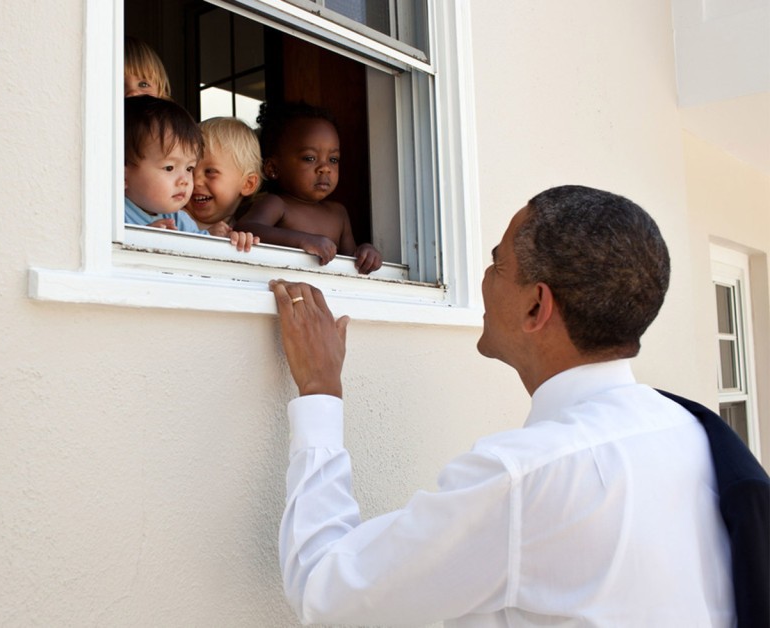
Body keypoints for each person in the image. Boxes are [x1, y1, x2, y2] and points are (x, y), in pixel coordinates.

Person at [268, 185, 738, 626]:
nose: (484, 279)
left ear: (536, 307)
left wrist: (320, 390)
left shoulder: (525, 478)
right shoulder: (690, 431)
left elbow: (324, 589)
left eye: (497, 264)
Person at [235, 101, 382, 274]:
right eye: (309, 158)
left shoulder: (338, 214)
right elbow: (245, 228)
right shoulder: (276, 204)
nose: (325, 168)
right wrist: (302, 241)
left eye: (333, 159)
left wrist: (366, 253)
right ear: (273, 168)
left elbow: (351, 262)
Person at [124, 95, 257, 252]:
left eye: (189, 168)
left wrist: (230, 241)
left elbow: (202, 253)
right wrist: (140, 240)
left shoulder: (179, 219)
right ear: (122, 175)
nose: (186, 180)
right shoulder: (111, 214)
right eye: (169, 168)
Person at [185, 117, 262, 237]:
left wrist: (242, 242)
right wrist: (207, 236)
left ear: (248, 184)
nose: (196, 181)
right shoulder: (171, 219)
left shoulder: (244, 229)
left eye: (210, 171)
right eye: (189, 169)